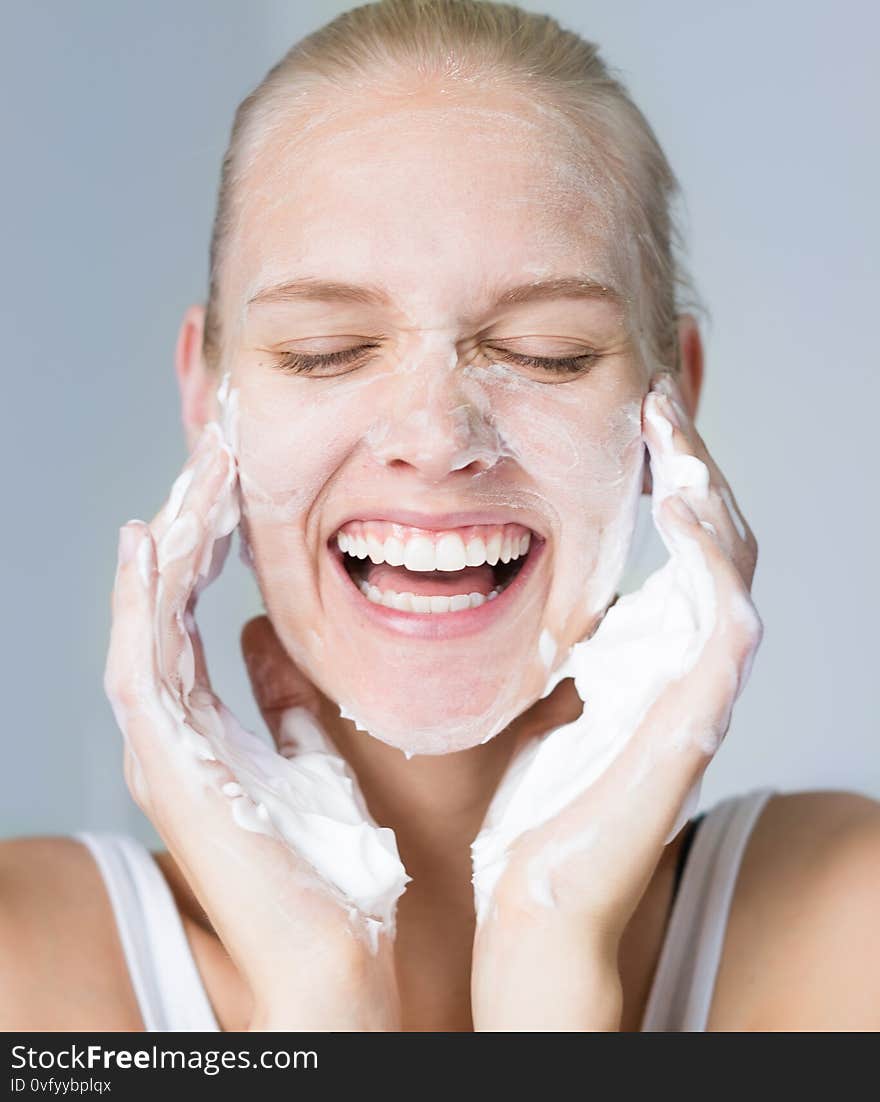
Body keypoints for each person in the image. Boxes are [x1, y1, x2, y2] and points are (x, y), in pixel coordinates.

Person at [2, 0, 877, 1033]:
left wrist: (553, 958)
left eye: (546, 349)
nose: (434, 433)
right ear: (208, 396)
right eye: (323, 349)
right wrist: (316, 1002)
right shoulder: (28, 974)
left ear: (671, 401)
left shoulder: (847, 933)